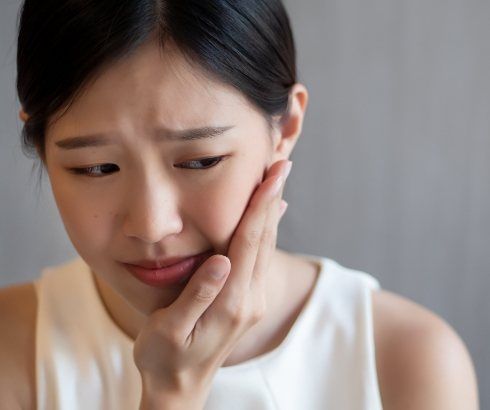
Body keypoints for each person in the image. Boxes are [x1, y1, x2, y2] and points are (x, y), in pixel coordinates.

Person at [0, 0, 479, 409]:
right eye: (97, 168)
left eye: (201, 160)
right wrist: (171, 395)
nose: (151, 225)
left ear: (286, 126)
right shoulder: (13, 349)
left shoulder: (406, 361)